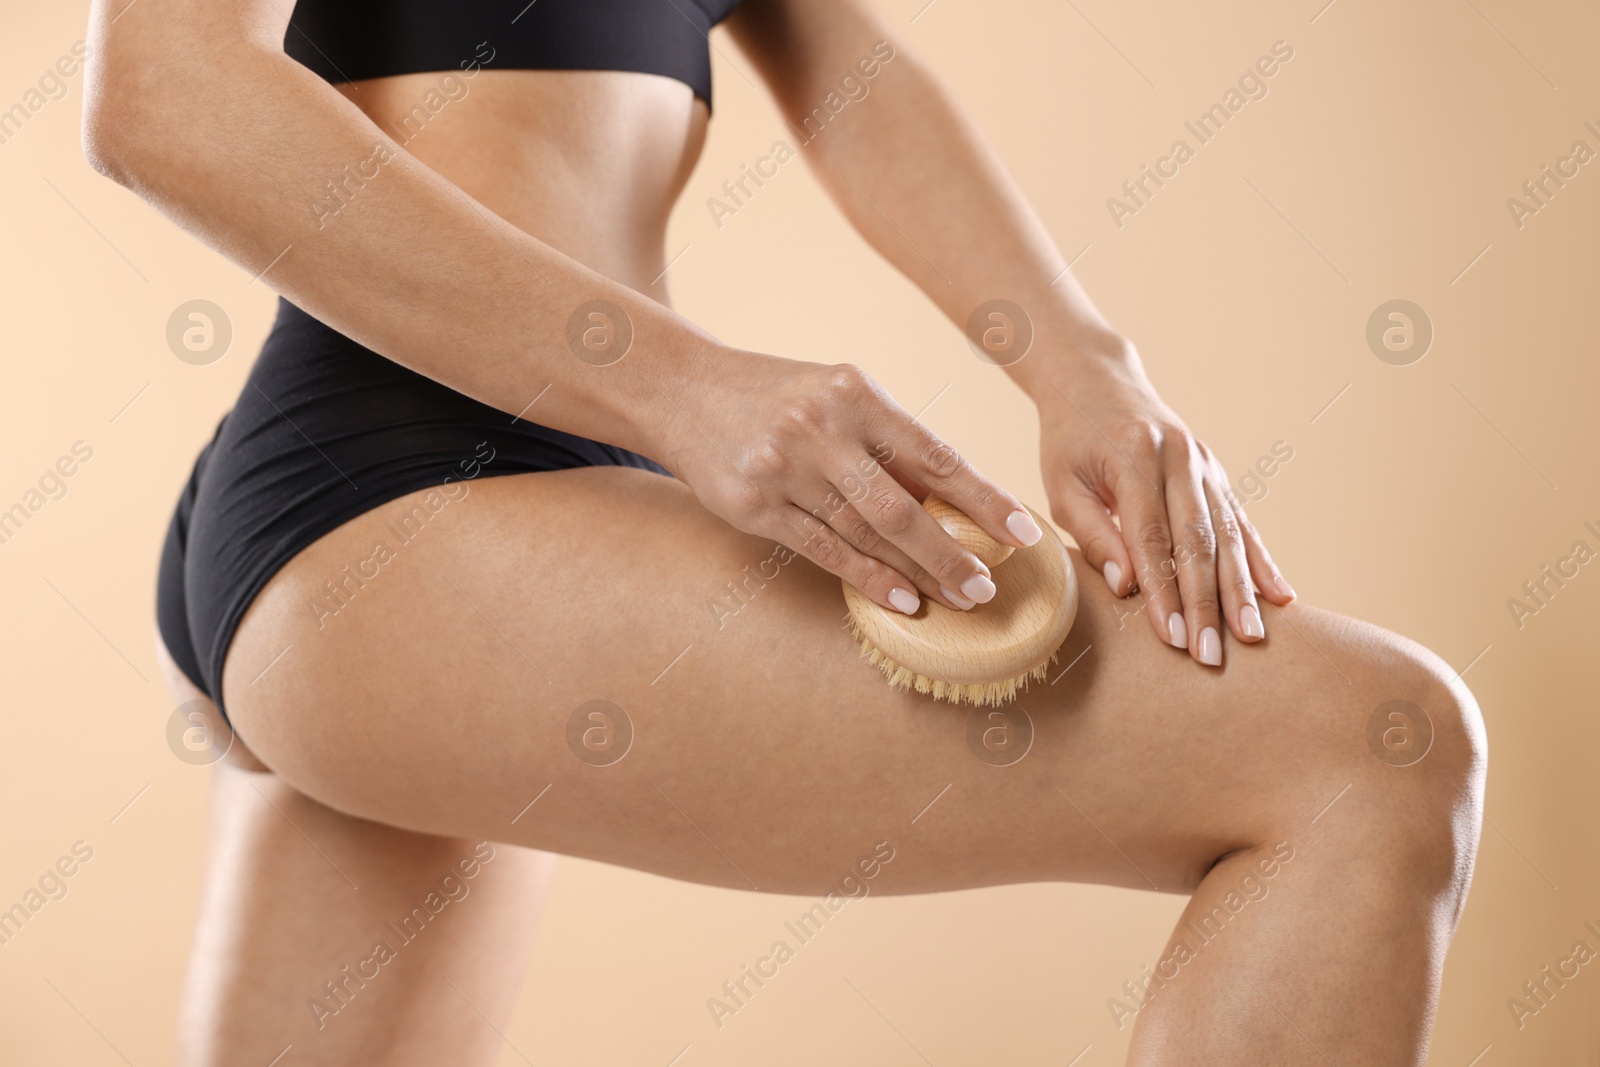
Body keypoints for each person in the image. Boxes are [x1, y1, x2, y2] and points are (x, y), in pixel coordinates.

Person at [83, 0, 1485, 1062]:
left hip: (458, 525)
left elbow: (853, 76)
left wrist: (1083, 364)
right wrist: (688, 388)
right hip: (400, 497)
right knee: (1367, 748)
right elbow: (162, 94)